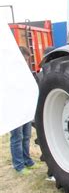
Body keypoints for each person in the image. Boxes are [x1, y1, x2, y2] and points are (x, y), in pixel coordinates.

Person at [10, 46, 37, 175]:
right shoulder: (9, 71)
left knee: (26, 136)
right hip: (13, 109)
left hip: (24, 108)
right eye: (25, 59)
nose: (26, 62)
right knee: (17, 137)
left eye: (27, 60)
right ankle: (18, 165)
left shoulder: (24, 70)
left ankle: (28, 160)